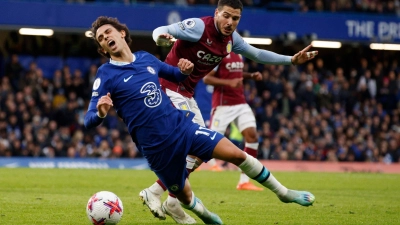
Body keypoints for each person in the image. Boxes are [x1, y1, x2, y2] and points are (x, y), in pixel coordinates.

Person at [85, 16, 315, 225]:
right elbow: (89, 120)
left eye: (108, 32)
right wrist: (102, 113)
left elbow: (174, 74)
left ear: (121, 33)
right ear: (102, 48)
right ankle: (201, 215)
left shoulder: (146, 58)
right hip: (156, 147)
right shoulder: (106, 75)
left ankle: (283, 193)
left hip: (181, 128)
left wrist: (185, 69)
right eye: (101, 38)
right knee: (183, 195)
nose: (106, 38)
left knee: (236, 153)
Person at [141, 0, 318, 221]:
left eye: (235, 18)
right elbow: (163, 30)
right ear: (216, 13)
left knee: (198, 153)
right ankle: (154, 192)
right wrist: (160, 37)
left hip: (186, 94)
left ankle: (173, 201)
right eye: (226, 16)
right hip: (168, 90)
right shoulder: (198, 27)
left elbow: (258, 54)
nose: (230, 22)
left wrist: (291, 60)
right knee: (199, 145)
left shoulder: (231, 40)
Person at [203, 51, 264, 191]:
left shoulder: (239, 54)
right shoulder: (218, 55)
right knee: (207, 144)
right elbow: (207, 79)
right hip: (223, 105)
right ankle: (181, 170)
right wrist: (229, 82)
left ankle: (244, 181)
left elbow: (236, 75)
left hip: (240, 103)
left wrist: (250, 76)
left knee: (252, 137)